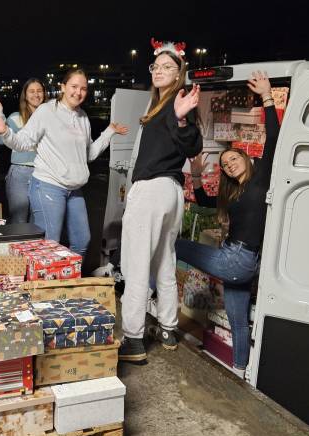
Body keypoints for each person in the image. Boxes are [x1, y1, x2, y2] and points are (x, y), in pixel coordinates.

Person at [176, 70, 280, 378]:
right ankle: (240, 372)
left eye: (233, 159)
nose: (229, 164)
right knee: (238, 322)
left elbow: (273, 138)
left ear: (246, 159)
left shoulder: (260, 178)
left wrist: (267, 96)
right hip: (240, 263)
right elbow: (205, 203)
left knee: (172, 243)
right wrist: (195, 174)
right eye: (224, 164)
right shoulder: (233, 193)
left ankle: (152, 301)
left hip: (238, 259)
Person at [0, 69, 128, 257]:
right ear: (63, 87)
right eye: (74, 86)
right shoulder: (47, 111)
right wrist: (5, 132)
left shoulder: (82, 117)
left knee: (82, 241)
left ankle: (67, 280)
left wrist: (108, 133)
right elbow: (23, 142)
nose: (79, 92)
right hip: (48, 185)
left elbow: (88, 154)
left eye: (83, 88)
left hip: (74, 189)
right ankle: (44, 284)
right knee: (50, 245)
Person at [118, 40, 203, 364]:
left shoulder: (174, 104)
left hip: (153, 190)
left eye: (168, 67)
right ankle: (168, 327)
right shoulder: (161, 105)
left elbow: (192, 144)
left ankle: (134, 339)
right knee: (164, 262)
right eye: (156, 67)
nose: (160, 72)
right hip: (170, 192)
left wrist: (181, 120)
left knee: (136, 265)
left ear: (179, 72)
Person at [0, 79, 48, 223]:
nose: (36, 94)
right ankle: (17, 246)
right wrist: (0, 114)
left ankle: (35, 247)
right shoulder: (16, 117)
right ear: (25, 95)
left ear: (44, 94)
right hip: (20, 173)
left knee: (39, 221)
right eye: (32, 91)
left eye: (39, 91)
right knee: (19, 221)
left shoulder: (50, 118)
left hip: (44, 174)